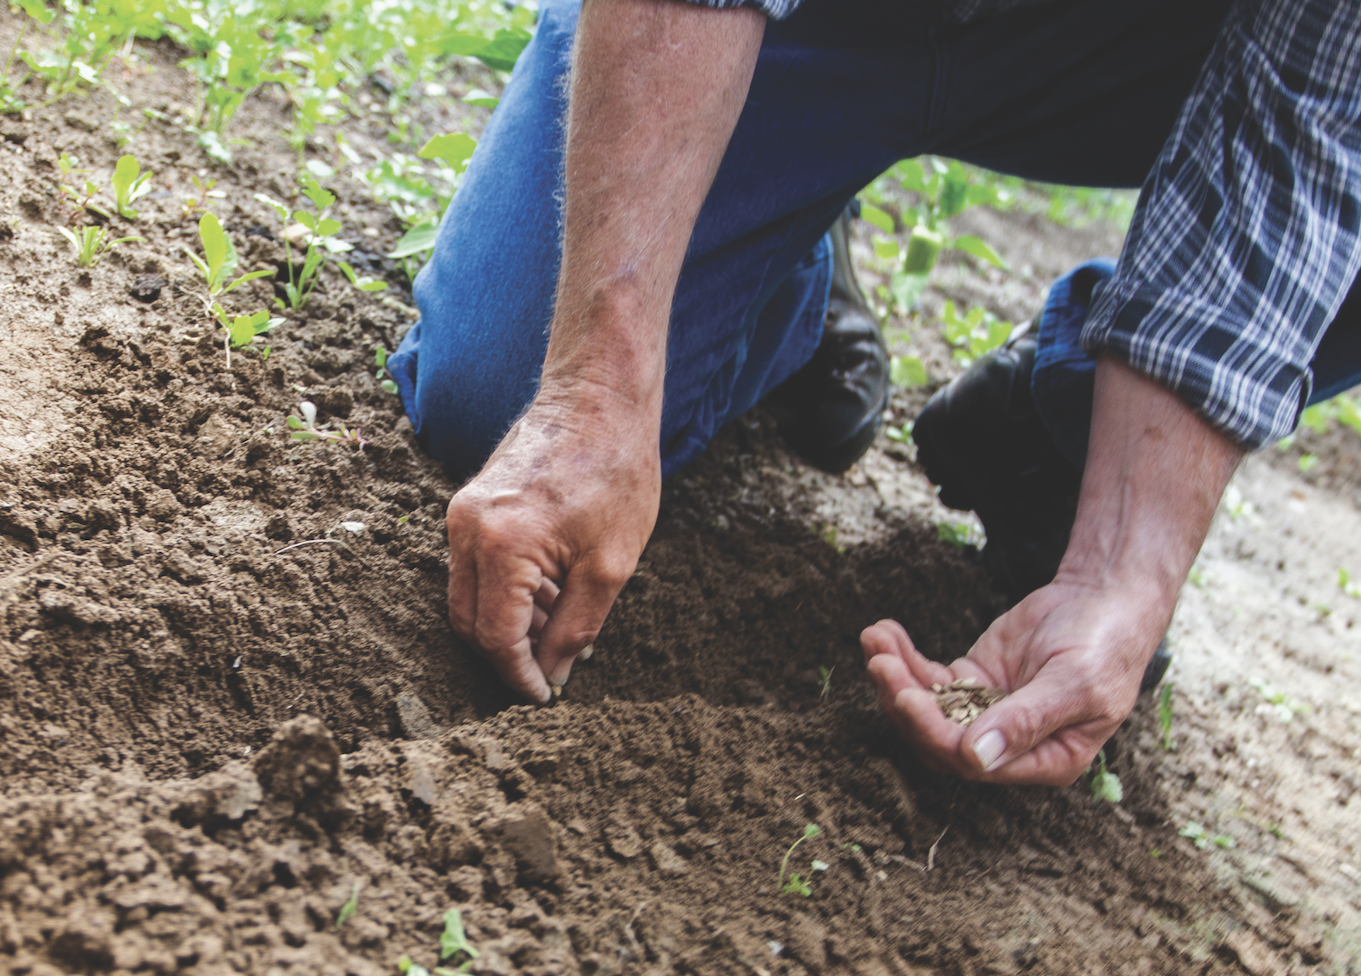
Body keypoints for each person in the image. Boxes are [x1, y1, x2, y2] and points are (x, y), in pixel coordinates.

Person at [386, 0, 1361, 788]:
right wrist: (596, 390)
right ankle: (785, 254)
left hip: (1137, 42)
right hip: (818, 20)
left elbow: (1309, 121)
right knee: (502, 394)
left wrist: (1121, 570)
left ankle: (1064, 420)